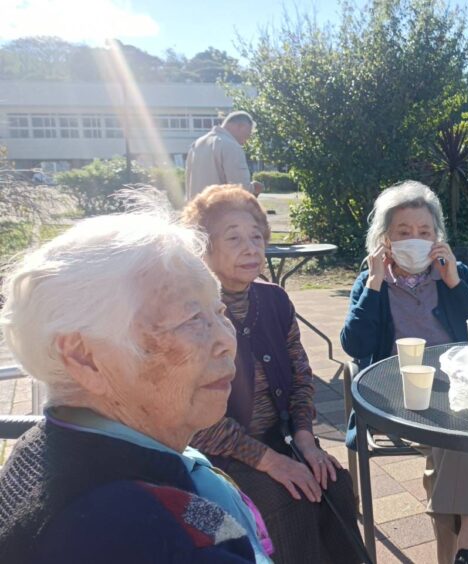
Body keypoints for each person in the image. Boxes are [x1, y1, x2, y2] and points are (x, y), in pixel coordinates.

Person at [0, 199, 271, 562]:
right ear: (84, 357)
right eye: (192, 317)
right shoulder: (136, 539)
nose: (226, 338)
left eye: (219, 310)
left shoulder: (46, 445)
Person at [183, 185, 361, 564]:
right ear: (204, 246)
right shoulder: (193, 314)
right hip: (214, 457)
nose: (251, 248)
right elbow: (195, 418)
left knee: (336, 484)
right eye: (234, 238)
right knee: (286, 500)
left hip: (277, 438)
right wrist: (271, 461)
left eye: (257, 237)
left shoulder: (273, 299)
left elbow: (300, 374)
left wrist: (305, 440)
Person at [340, 181, 468, 564]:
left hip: (457, 386)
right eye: (403, 232)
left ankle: (464, 547)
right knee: (459, 433)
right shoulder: (370, 282)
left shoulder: (451, 274)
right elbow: (355, 346)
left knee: (456, 432)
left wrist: (455, 283)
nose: (415, 239)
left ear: (437, 238)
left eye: (424, 232)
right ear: (385, 240)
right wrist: (374, 284)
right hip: (398, 396)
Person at [185, 111, 265, 200]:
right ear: (240, 126)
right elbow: (240, 188)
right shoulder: (232, 146)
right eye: (247, 135)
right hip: (221, 210)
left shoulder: (197, 143)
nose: (245, 141)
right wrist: (255, 188)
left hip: (197, 209)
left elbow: (189, 183)